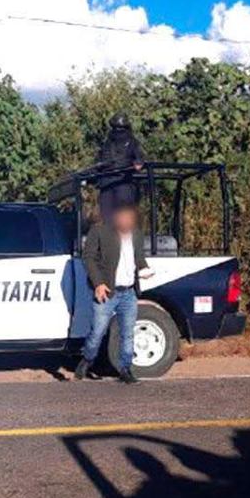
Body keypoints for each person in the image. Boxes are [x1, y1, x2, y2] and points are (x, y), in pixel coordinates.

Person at [77, 204, 154, 384]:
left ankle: (125, 369)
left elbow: (139, 257)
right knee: (97, 332)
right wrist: (98, 283)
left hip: (128, 292)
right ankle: (87, 359)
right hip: (107, 291)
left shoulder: (135, 234)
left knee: (127, 333)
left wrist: (144, 268)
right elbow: (88, 257)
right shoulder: (99, 231)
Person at [95, 113, 145, 223]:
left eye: (121, 128)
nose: (118, 131)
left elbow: (139, 161)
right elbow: (98, 161)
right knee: (108, 220)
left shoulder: (132, 142)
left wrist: (137, 164)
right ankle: (111, 238)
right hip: (106, 184)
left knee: (124, 219)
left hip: (124, 182)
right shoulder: (106, 143)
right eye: (115, 128)